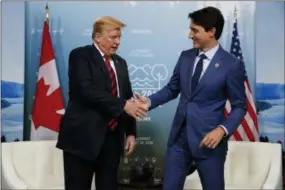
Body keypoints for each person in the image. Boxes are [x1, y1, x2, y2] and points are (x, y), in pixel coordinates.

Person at [135, 6, 247, 190]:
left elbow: (239, 106)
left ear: (211, 32)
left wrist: (221, 130)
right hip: (179, 140)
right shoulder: (185, 57)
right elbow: (172, 89)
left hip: (209, 142)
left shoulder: (231, 65)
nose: (189, 35)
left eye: (195, 30)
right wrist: (149, 102)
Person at [56, 16, 147, 190]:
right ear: (97, 37)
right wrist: (122, 105)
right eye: (113, 37)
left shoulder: (120, 63)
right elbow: (86, 91)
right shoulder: (80, 55)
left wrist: (130, 132)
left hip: (112, 141)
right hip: (82, 139)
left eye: (119, 38)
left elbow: (127, 98)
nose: (117, 42)